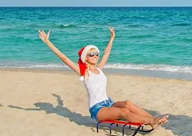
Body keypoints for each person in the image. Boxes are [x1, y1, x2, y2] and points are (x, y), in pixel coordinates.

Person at [38, 27, 168, 126]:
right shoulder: (84, 73)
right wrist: (47, 42)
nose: (95, 55)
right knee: (124, 112)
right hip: (97, 109)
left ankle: (154, 118)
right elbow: (64, 58)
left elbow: (106, 52)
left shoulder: (99, 69)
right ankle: (152, 121)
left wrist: (112, 38)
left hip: (109, 102)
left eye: (96, 53)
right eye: (92, 54)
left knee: (127, 103)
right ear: (85, 58)